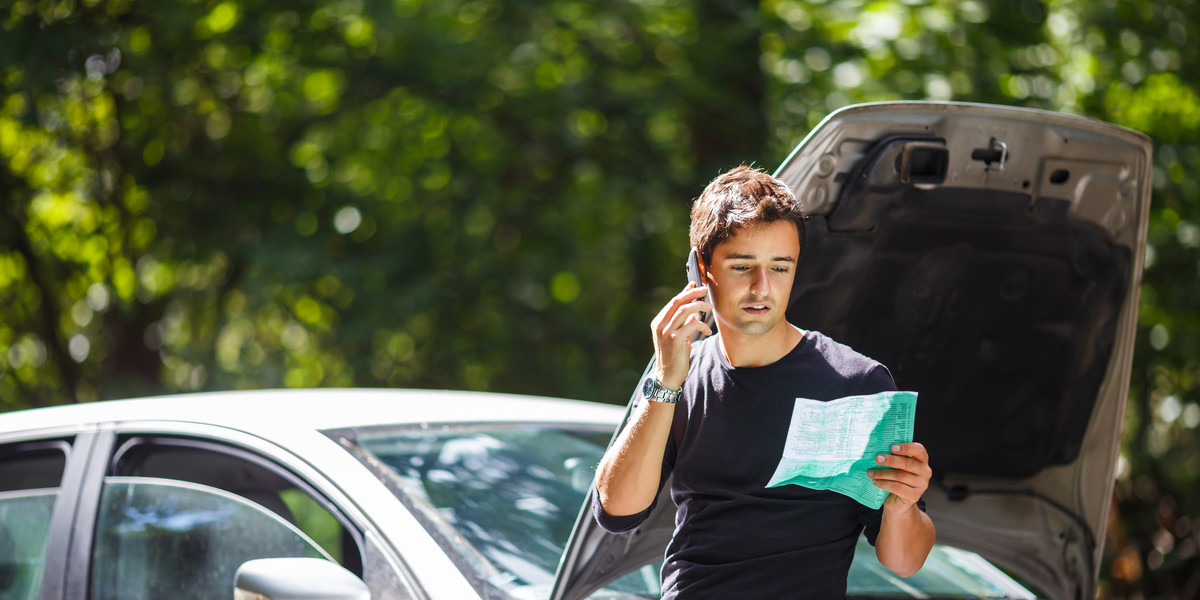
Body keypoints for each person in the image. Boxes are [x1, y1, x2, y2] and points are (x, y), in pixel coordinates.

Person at [592, 165, 935, 598]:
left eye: (779, 267)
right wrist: (665, 380)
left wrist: (903, 507)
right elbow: (616, 512)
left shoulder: (857, 382)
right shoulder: (678, 373)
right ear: (701, 269)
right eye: (742, 267)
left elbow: (904, 562)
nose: (762, 287)